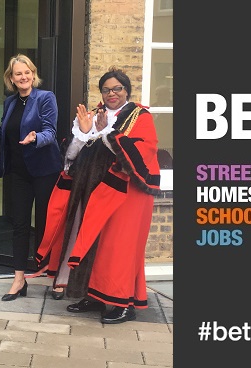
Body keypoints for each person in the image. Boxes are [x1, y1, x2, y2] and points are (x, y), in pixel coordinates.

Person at [35, 67, 161, 323]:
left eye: (117, 89)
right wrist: (82, 134)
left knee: (118, 248)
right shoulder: (93, 114)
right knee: (92, 244)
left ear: (126, 90)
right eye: (106, 89)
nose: (111, 93)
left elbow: (142, 153)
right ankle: (93, 295)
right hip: (92, 190)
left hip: (126, 194)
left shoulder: (140, 116)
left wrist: (106, 132)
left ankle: (122, 303)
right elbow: (71, 155)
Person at [0, 54, 63, 301]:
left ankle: (56, 277)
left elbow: (50, 131)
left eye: (27, 72)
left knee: (47, 225)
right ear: (11, 78)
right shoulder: (10, 103)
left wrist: (35, 138)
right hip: (19, 173)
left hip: (44, 171)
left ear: (33, 74)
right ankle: (19, 280)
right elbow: (3, 133)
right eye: (18, 73)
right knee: (19, 226)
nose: (23, 77)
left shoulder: (45, 98)